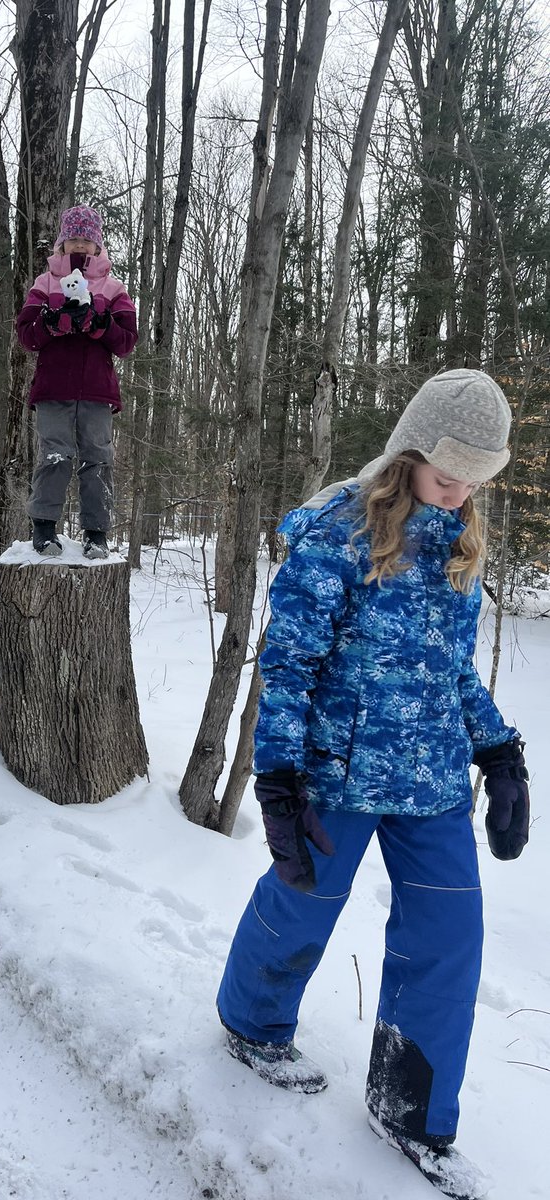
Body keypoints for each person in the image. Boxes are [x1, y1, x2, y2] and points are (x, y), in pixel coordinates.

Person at [216, 369, 530, 1200]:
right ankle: (251, 1024)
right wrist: (277, 779)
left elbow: (451, 670)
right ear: (409, 451)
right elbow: (288, 667)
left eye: (476, 475)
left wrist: (499, 752)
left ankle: (411, 1108)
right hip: (336, 773)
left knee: (448, 940)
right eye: (446, 469)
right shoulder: (336, 533)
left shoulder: (460, 539)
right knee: (302, 905)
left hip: (429, 781)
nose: (460, 489)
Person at [16, 205, 137, 559]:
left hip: (97, 390)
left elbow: (127, 341)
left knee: (98, 458)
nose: (80, 246)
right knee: (54, 455)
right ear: (62, 243)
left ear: (98, 245)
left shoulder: (114, 288)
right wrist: (54, 322)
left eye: (87, 240)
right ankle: (43, 527)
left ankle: (96, 533)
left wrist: (97, 323)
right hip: (54, 387)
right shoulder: (45, 283)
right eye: (74, 239)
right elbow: (26, 336)